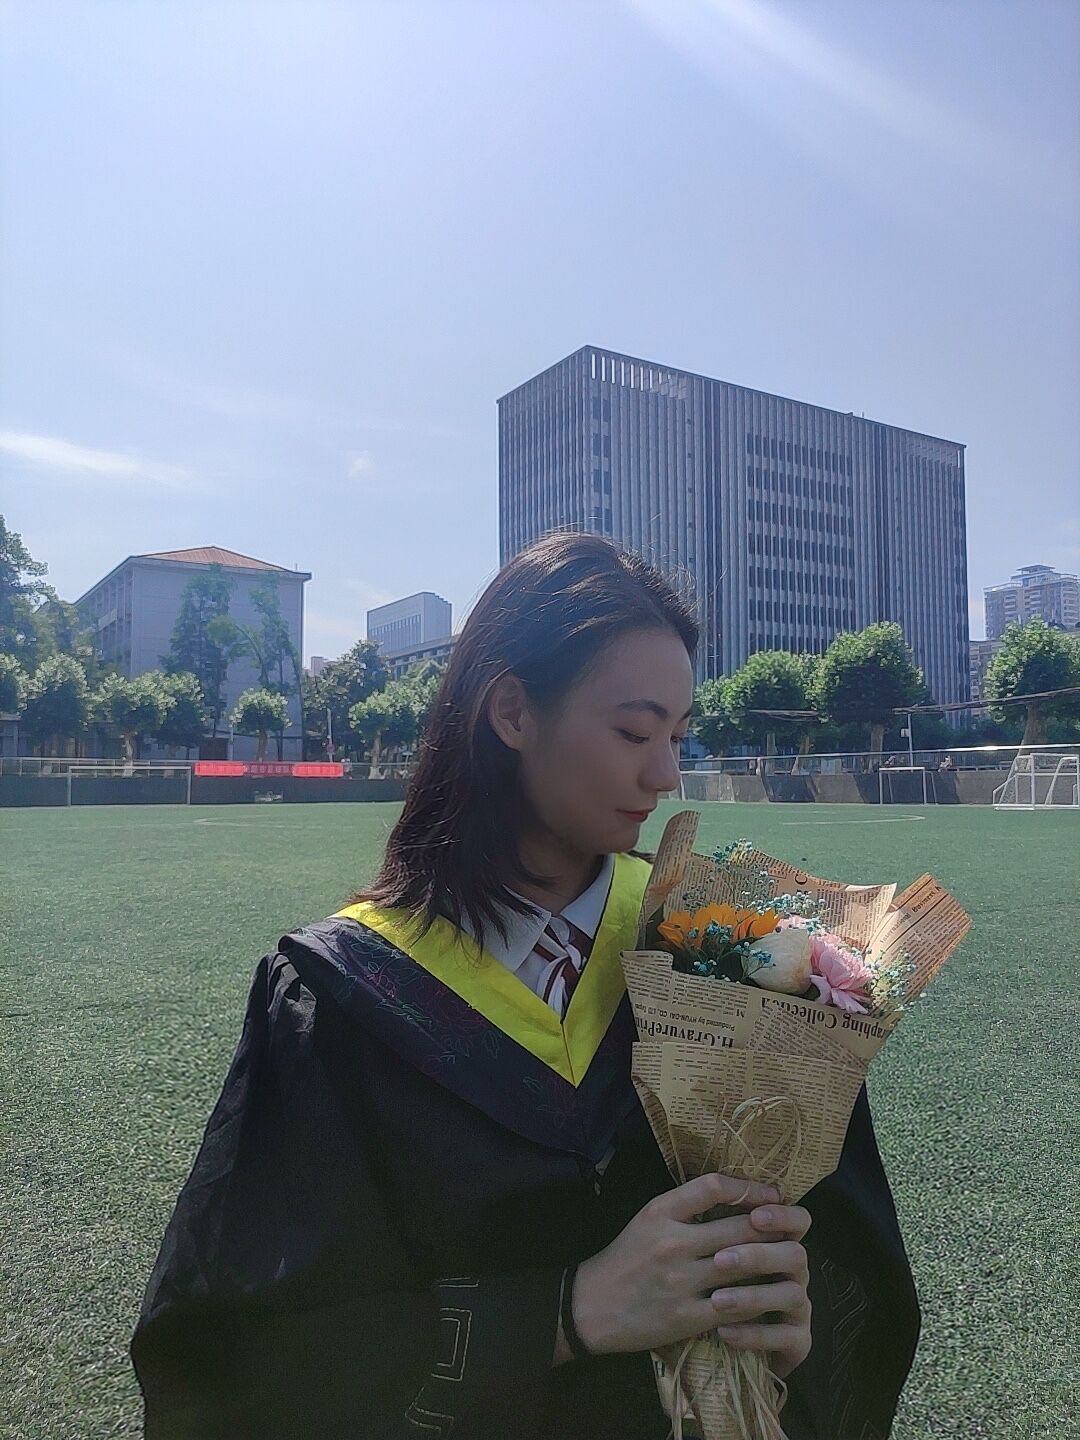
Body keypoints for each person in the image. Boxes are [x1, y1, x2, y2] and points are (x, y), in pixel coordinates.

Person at [129, 533, 920, 1439]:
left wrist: (788, 1326)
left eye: (676, 735)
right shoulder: (339, 996)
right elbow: (243, 1354)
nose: (665, 774)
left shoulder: (726, 959)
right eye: (633, 732)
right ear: (512, 712)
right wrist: (568, 1314)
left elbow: (854, 1271)